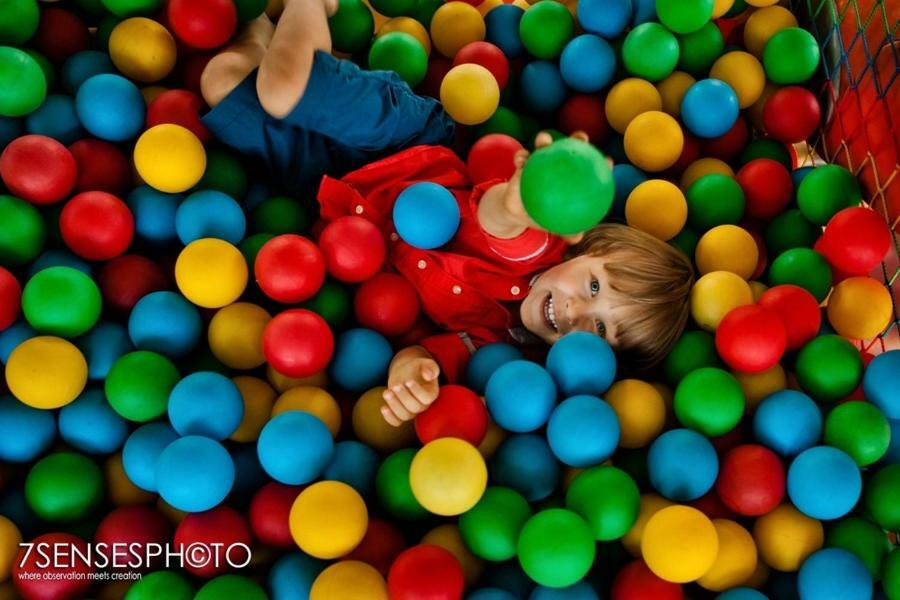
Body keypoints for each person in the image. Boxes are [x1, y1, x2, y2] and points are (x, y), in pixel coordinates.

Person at [199, 0, 695, 427]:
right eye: (592, 288)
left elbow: (437, 355)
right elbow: (502, 222)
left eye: (602, 330)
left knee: (221, 83)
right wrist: (521, 201)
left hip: (348, 204)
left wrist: (411, 374)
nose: (575, 313)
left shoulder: (501, 350)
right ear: (587, 248)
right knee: (284, 89)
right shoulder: (540, 245)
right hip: (403, 142)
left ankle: (271, 26)